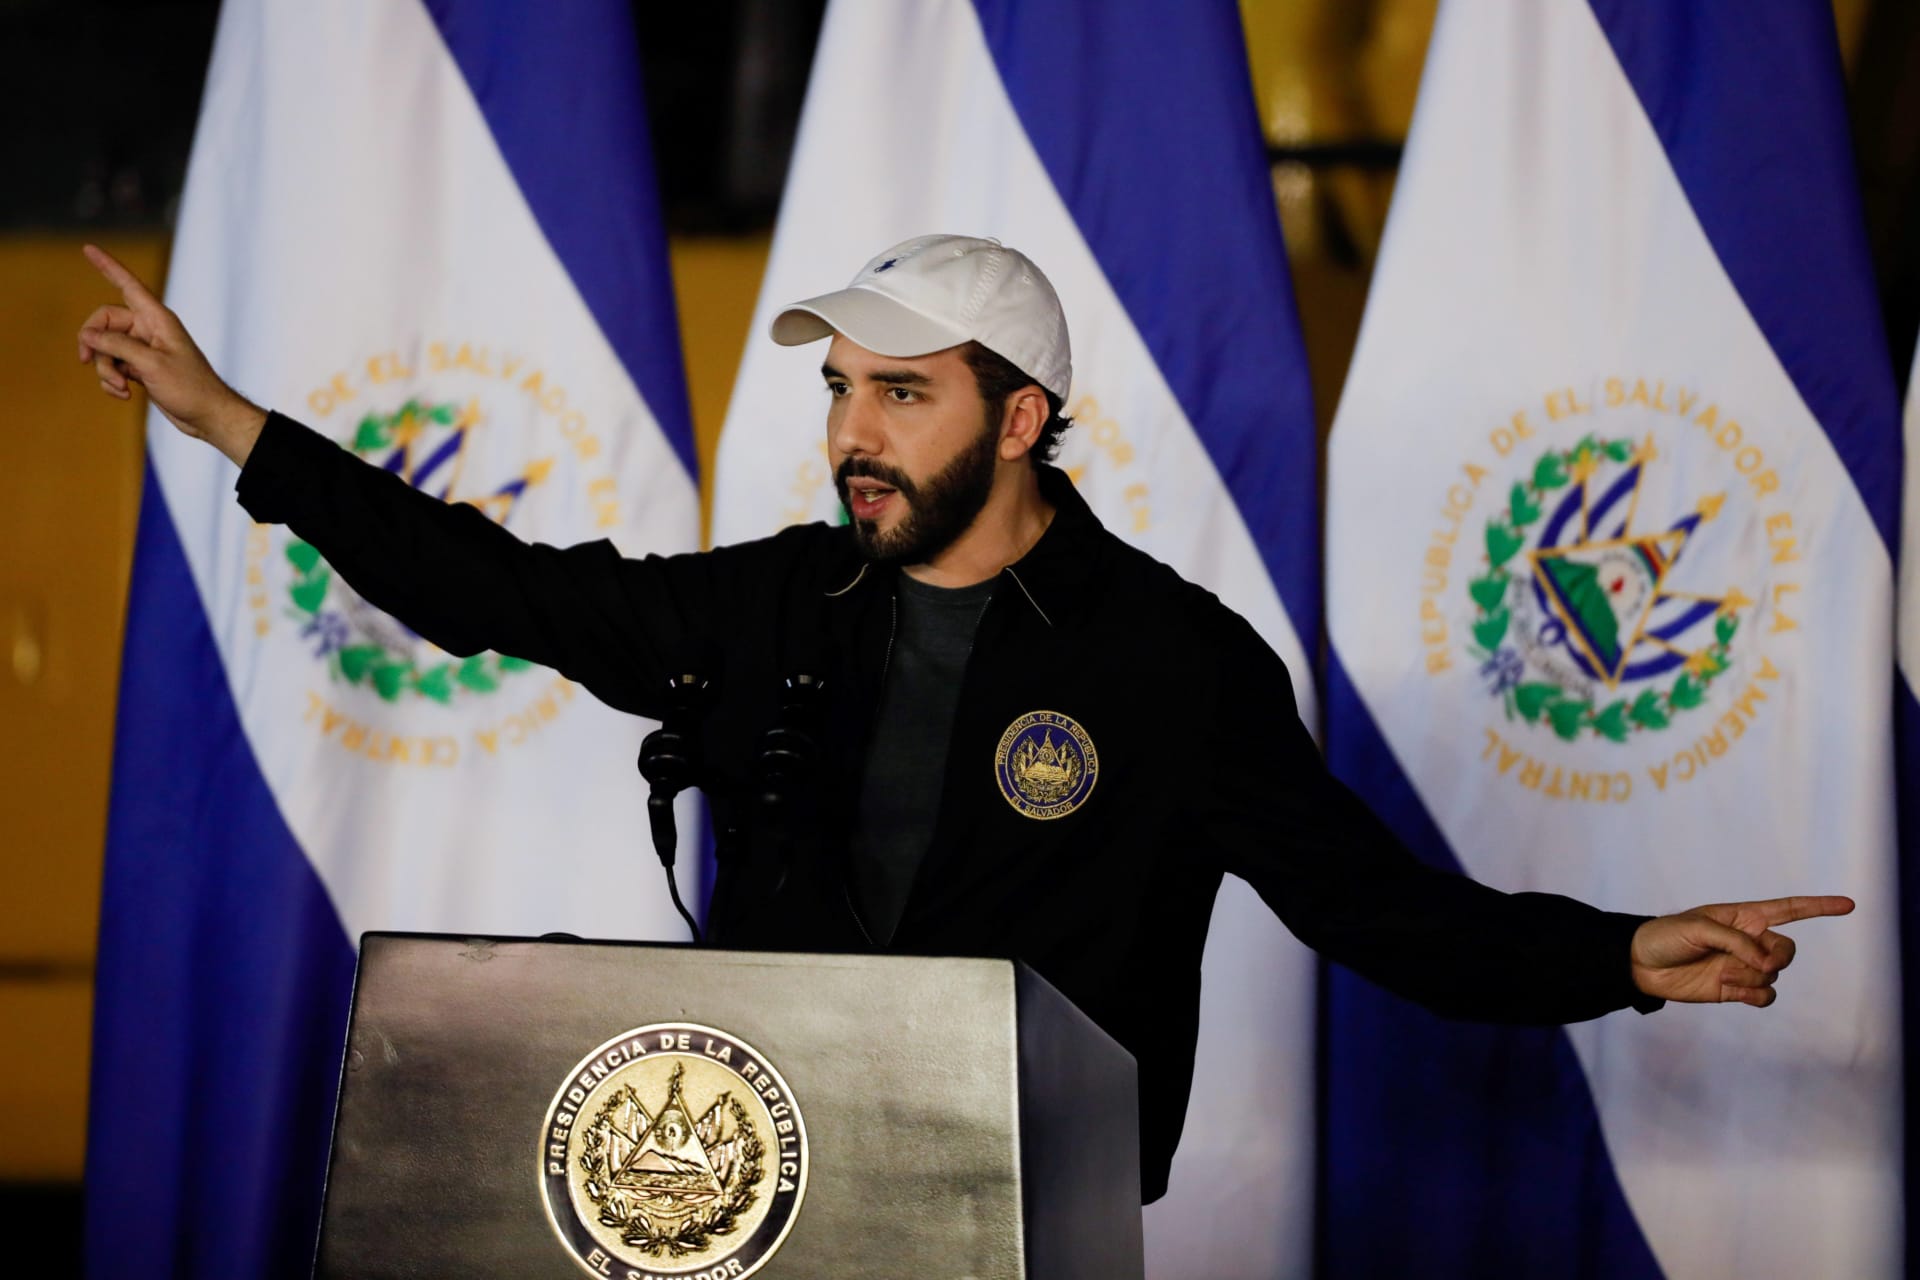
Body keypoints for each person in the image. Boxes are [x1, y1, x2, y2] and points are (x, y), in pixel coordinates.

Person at [76, 233, 1852, 1203]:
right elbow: (497, 590)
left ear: (1019, 421)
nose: (853, 433)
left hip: (1021, 1224)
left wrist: (1614, 955)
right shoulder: (770, 602)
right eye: (842, 389)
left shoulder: (1173, 663)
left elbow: (1376, 909)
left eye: (902, 394)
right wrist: (236, 426)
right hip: (757, 1202)